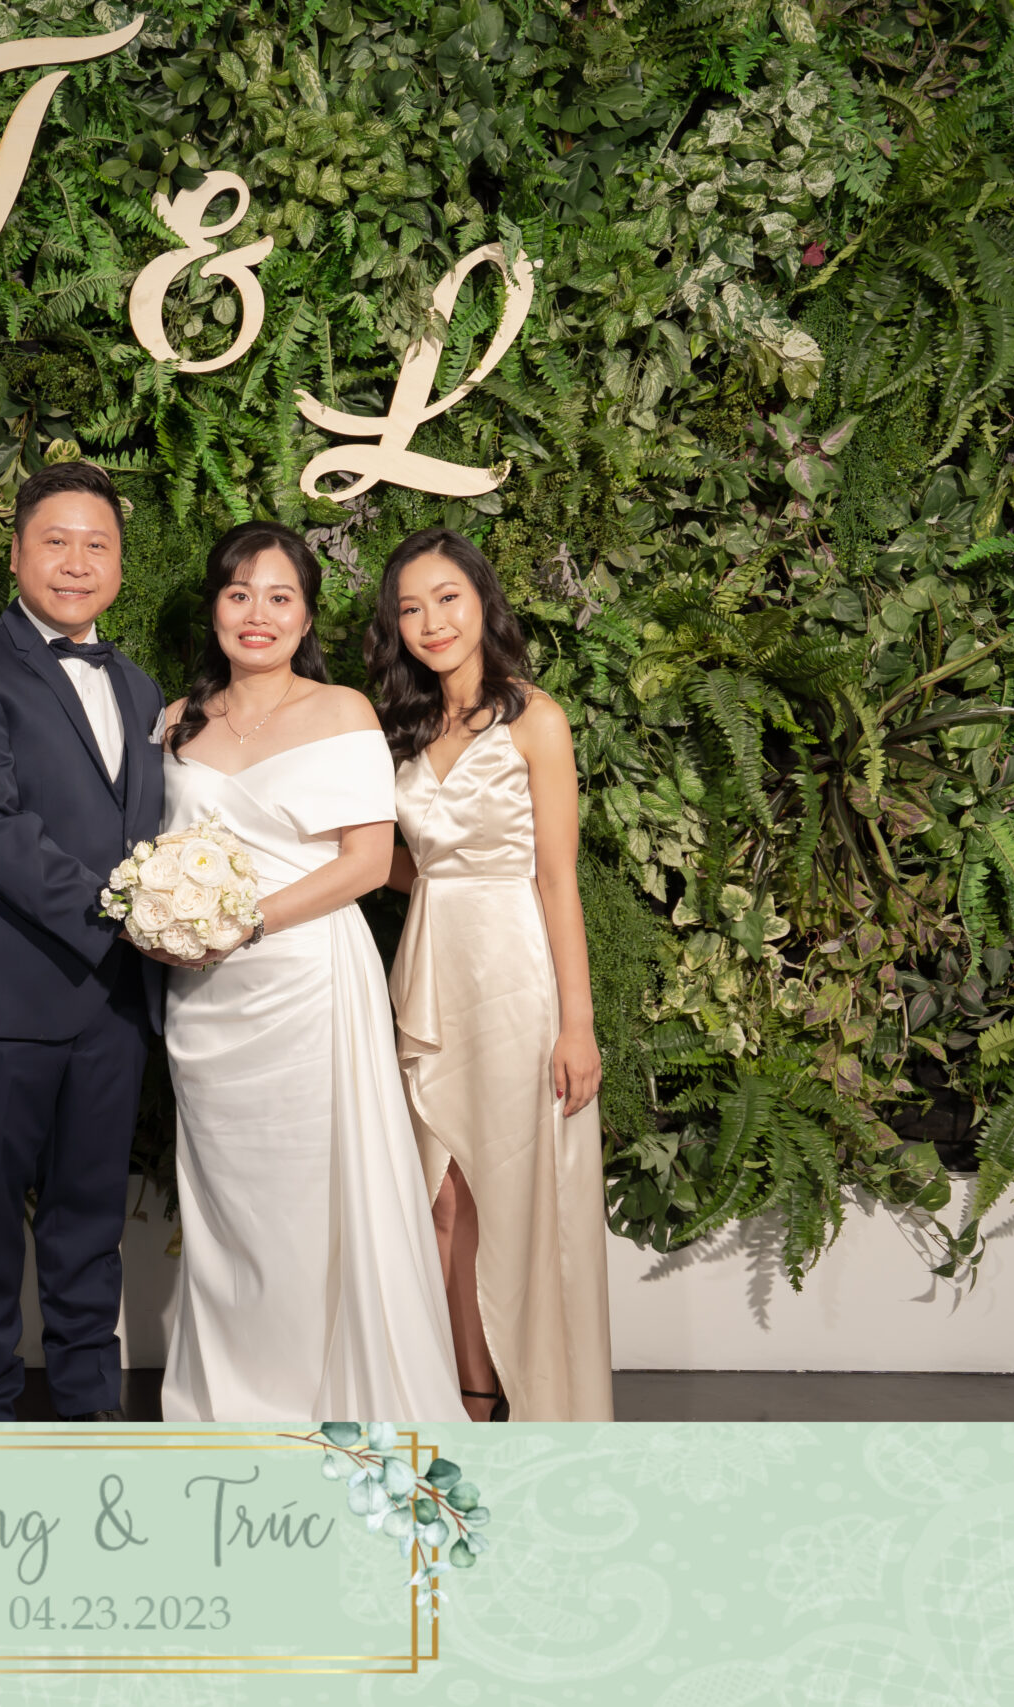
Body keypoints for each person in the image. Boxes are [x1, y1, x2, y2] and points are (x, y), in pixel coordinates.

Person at [154, 520, 462, 1422]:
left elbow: (366, 864)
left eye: (279, 596)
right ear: (215, 607)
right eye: (238, 593)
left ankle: (327, 1402)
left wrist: (245, 922)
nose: (258, 614)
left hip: (309, 990)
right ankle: (233, 1404)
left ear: (306, 614)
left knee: (314, 1204)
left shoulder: (343, 711)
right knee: (229, 1212)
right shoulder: (174, 722)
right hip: (206, 1003)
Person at [0, 461, 167, 1423]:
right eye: (56, 541)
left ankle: (91, 1413)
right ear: (16, 554)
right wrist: (134, 916)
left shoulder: (140, 687)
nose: (76, 562)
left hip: (113, 1007)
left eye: (97, 544)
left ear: (121, 566)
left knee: (90, 1222)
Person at [370, 526, 612, 1423]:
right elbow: (411, 863)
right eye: (411, 608)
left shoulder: (535, 719)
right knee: (438, 1195)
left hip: (515, 976)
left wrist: (577, 1024)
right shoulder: (401, 727)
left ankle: (524, 1401)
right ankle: (457, 1400)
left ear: (482, 602)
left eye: (448, 598)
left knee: (507, 1192)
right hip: (429, 971)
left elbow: (558, 878)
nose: (432, 621)